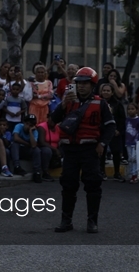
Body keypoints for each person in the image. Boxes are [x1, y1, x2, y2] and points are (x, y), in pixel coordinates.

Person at [48, 66, 115, 233]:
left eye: (85, 83)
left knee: (93, 185)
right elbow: (52, 121)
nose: (81, 86)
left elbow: (110, 127)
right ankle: (66, 221)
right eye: (79, 83)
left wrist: (102, 144)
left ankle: (92, 222)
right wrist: (63, 104)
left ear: (92, 85)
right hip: (70, 149)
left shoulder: (100, 103)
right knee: (68, 184)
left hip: (90, 149)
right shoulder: (68, 101)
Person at [10, 114, 50, 183]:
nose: (28, 126)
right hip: (18, 151)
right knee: (15, 144)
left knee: (37, 150)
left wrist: (30, 132)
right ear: (24, 123)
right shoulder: (19, 126)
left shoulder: (35, 132)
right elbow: (16, 138)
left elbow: (34, 145)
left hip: (27, 151)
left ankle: (37, 172)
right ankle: (17, 166)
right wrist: (27, 144)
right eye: (27, 124)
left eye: (31, 125)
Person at [124, 102, 139, 183]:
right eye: (129, 109)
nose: (130, 111)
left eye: (132, 109)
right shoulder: (127, 120)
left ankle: (135, 174)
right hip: (128, 142)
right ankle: (131, 173)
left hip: (135, 142)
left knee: (134, 158)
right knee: (130, 159)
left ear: (136, 110)